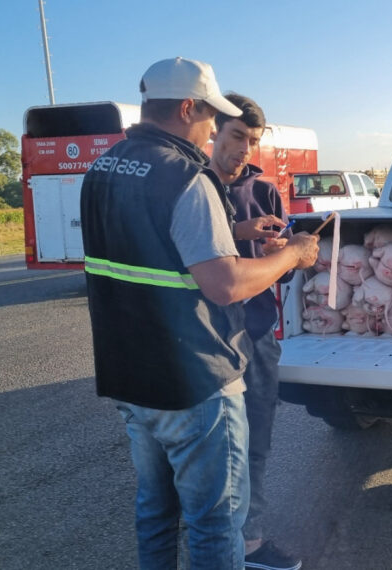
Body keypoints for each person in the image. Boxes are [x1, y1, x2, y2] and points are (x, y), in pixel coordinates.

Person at [80, 57, 318, 569]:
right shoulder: (187, 176)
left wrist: (236, 236)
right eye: (212, 117)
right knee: (216, 523)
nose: (212, 129)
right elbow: (226, 284)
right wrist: (293, 255)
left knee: (155, 512)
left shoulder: (102, 168)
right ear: (188, 107)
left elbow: (154, 249)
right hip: (194, 381)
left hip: (129, 377)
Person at [209, 92, 301, 570]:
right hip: (204, 337)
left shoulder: (264, 191)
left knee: (256, 442)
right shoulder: (194, 186)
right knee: (211, 447)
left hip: (258, 333)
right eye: (237, 136)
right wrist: (240, 233)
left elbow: (282, 272)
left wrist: (279, 257)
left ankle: (249, 542)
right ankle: (210, 539)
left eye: (253, 141)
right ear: (214, 132)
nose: (245, 149)